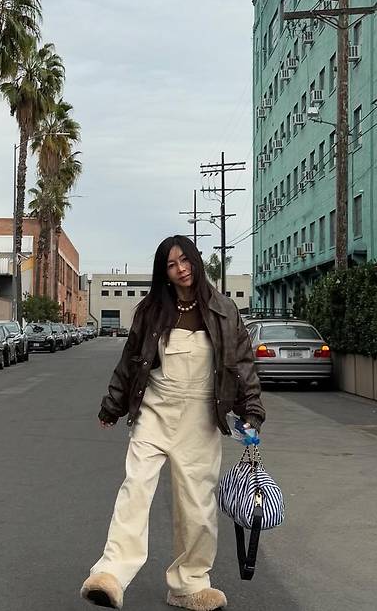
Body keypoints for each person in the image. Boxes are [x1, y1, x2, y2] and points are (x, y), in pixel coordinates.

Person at [80, 235, 265, 610]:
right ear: (162, 272)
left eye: (185, 260)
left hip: (202, 417)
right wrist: (112, 406)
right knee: (136, 488)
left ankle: (189, 584)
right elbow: (131, 361)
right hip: (155, 410)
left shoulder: (225, 310)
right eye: (171, 264)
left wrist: (251, 414)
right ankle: (110, 575)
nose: (181, 269)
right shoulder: (151, 311)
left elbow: (242, 364)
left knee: (197, 505)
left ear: (196, 261)